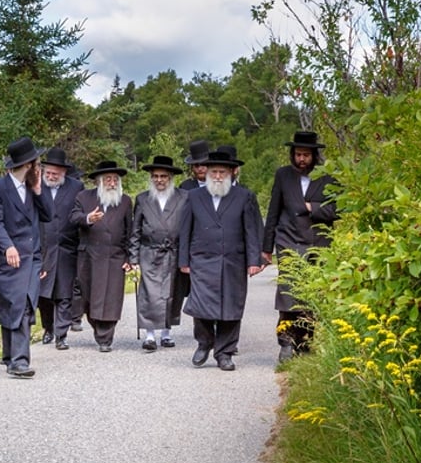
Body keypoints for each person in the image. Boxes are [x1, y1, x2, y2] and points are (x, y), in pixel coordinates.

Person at [178, 149, 264, 371]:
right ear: (206, 172)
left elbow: (251, 231)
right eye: (214, 171)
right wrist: (183, 259)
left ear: (231, 173)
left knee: (231, 307)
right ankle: (204, 342)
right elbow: (185, 230)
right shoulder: (194, 197)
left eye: (222, 172)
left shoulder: (245, 196)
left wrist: (254, 260)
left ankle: (225, 353)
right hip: (201, 261)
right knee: (200, 305)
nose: (217, 176)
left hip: (233, 261)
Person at [261, 130, 338, 362]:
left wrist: (311, 207)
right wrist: (266, 248)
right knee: (288, 291)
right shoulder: (283, 175)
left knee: (311, 295)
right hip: (288, 241)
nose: (301, 159)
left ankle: (305, 342)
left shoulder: (328, 176)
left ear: (314, 155)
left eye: (306, 154)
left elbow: (338, 209)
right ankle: (285, 341)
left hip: (318, 244)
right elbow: (273, 211)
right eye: (298, 154)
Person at [0, 137, 51, 378]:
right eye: (38, 162)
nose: (40, 166)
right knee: (11, 305)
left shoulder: (34, 189)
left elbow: (48, 216)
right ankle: (11, 355)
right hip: (8, 258)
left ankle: (19, 361)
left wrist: (40, 190)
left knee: (25, 304)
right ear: (29, 164)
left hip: (30, 258)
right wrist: (7, 246)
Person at [70, 160, 133, 352]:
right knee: (89, 297)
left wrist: (131, 258)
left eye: (115, 179)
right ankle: (97, 327)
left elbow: (130, 231)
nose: (112, 183)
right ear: (99, 181)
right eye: (108, 179)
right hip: (89, 257)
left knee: (112, 297)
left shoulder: (125, 201)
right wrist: (88, 218)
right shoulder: (84, 197)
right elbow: (73, 217)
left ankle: (105, 337)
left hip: (115, 257)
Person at [128, 155, 188, 351]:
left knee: (171, 294)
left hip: (174, 253)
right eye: (156, 176)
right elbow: (135, 231)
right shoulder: (143, 199)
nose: (159, 180)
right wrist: (133, 258)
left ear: (171, 177)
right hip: (149, 253)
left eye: (163, 176)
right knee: (149, 295)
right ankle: (150, 336)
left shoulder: (184, 197)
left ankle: (166, 333)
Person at [36, 147, 84, 350]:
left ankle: (62, 335)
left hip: (67, 248)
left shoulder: (76, 187)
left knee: (64, 294)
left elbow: (80, 213)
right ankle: (48, 328)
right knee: (43, 295)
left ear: (64, 173)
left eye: (55, 173)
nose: (51, 176)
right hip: (42, 247)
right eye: (48, 172)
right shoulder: (36, 185)